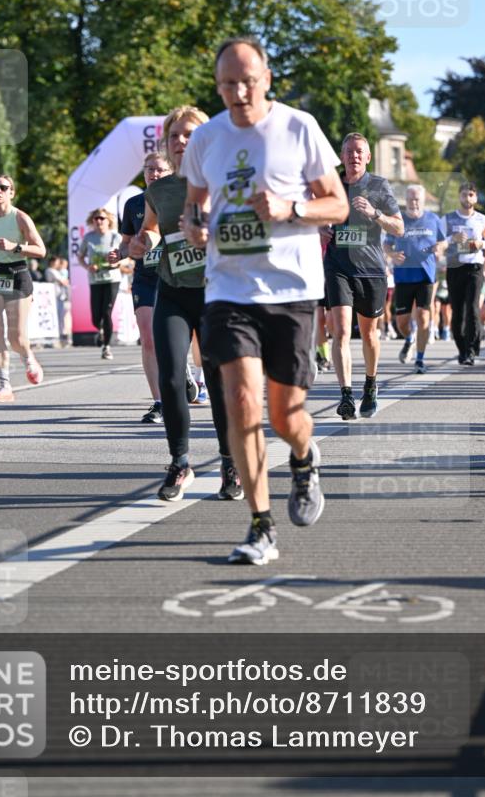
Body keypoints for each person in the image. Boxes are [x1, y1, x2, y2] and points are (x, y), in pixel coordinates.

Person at [181, 36, 348, 565]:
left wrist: (290, 207)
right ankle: (260, 525)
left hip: (292, 289)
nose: (238, 92)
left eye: (247, 81)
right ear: (218, 85)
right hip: (229, 287)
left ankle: (304, 455)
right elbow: (192, 207)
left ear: (267, 78)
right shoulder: (206, 138)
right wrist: (194, 228)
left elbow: (338, 205)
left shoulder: (299, 127)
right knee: (240, 401)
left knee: (284, 416)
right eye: (227, 83)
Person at [130, 106, 240, 503]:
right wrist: (142, 243)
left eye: (190, 135)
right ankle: (180, 462)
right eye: (175, 135)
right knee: (172, 377)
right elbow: (149, 234)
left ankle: (231, 463)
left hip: (215, 293)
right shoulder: (158, 190)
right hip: (173, 291)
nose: (181, 142)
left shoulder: (225, 181)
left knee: (217, 379)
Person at [323, 133, 404, 420]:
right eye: (349, 152)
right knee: (341, 331)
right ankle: (345, 395)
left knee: (369, 333)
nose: (354, 156)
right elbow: (312, 215)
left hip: (370, 269)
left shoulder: (379, 186)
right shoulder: (330, 184)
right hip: (338, 266)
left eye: (359, 152)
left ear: (368, 157)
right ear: (341, 156)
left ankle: (370, 384)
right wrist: (321, 229)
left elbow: (399, 228)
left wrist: (375, 213)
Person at [0, 174, 46, 403]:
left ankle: (28, 356)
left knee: (16, 338)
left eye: (4, 187)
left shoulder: (21, 218)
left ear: (11, 192)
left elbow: (41, 250)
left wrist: (16, 247)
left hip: (16, 274)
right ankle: (4, 386)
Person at [119, 152, 173, 423]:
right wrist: (118, 253)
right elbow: (126, 242)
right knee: (149, 338)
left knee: (176, 338)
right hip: (146, 277)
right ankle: (159, 402)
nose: (154, 174)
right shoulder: (133, 205)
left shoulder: (180, 197)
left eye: (160, 170)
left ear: (170, 172)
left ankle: (184, 371)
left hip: (177, 276)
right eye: (150, 170)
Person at [384, 184, 446, 374]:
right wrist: (392, 255)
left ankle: (420, 358)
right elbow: (387, 244)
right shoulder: (398, 220)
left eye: (416, 199)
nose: (413, 203)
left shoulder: (433, 219)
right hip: (403, 276)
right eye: (410, 199)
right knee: (402, 322)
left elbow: (443, 241)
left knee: (423, 316)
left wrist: (439, 249)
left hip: (426, 275)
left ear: (423, 200)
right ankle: (409, 338)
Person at [440, 182, 485, 365]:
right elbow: (438, 243)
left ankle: (471, 349)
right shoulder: (447, 219)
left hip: (475, 267)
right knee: (457, 311)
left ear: (476, 198)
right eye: (464, 194)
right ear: (459, 196)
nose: (467, 198)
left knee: (472, 308)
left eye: (471, 194)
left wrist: (481, 244)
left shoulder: (483, 220)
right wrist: (452, 239)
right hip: (455, 267)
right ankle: (462, 349)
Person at [77, 208, 123, 359]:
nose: (99, 221)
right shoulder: (89, 237)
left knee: (107, 311)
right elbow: (80, 257)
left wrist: (116, 264)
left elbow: (125, 256)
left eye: (102, 218)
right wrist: (88, 267)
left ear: (108, 220)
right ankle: (101, 329)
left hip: (112, 279)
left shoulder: (116, 237)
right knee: (95, 317)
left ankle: (106, 347)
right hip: (95, 280)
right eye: (96, 218)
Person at [45, 255, 71, 344]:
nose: (58, 264)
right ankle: (58, 334)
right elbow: (63, 281)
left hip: (59, 295)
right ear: (52, 262)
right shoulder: (50, 270)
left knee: (61, 315)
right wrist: (64, 281)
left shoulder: (56, 271)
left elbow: (65, 281)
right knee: (57, 315)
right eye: (57, 262)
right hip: (54, 296)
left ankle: (61, 333)